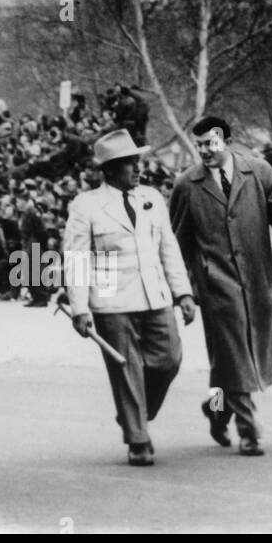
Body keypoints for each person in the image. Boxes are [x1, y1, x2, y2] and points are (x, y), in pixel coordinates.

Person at [168, 116, 272, 456]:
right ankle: (250, 430)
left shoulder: (260, 173)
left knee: (231, 359)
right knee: (236, 354)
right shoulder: (186, 186)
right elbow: (177, 243)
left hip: (256, 280)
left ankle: (217, 408)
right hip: (216, 286)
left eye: (211, 144)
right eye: (200, 146)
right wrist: (183, 292)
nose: (206, 151)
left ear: (225, 140)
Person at [63, 129, 196, 466]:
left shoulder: (151, 197)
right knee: (127, 370)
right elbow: (77, 258)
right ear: (109, 170)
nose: (138, 169)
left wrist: (183, 292)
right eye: (128, 164)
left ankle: (134, 413)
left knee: (169, 359)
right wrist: (80, 308)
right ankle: (138, 438)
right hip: (111, 298)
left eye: (138, 162)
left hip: (156, 295)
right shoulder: (86, 205)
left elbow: (169, 248)